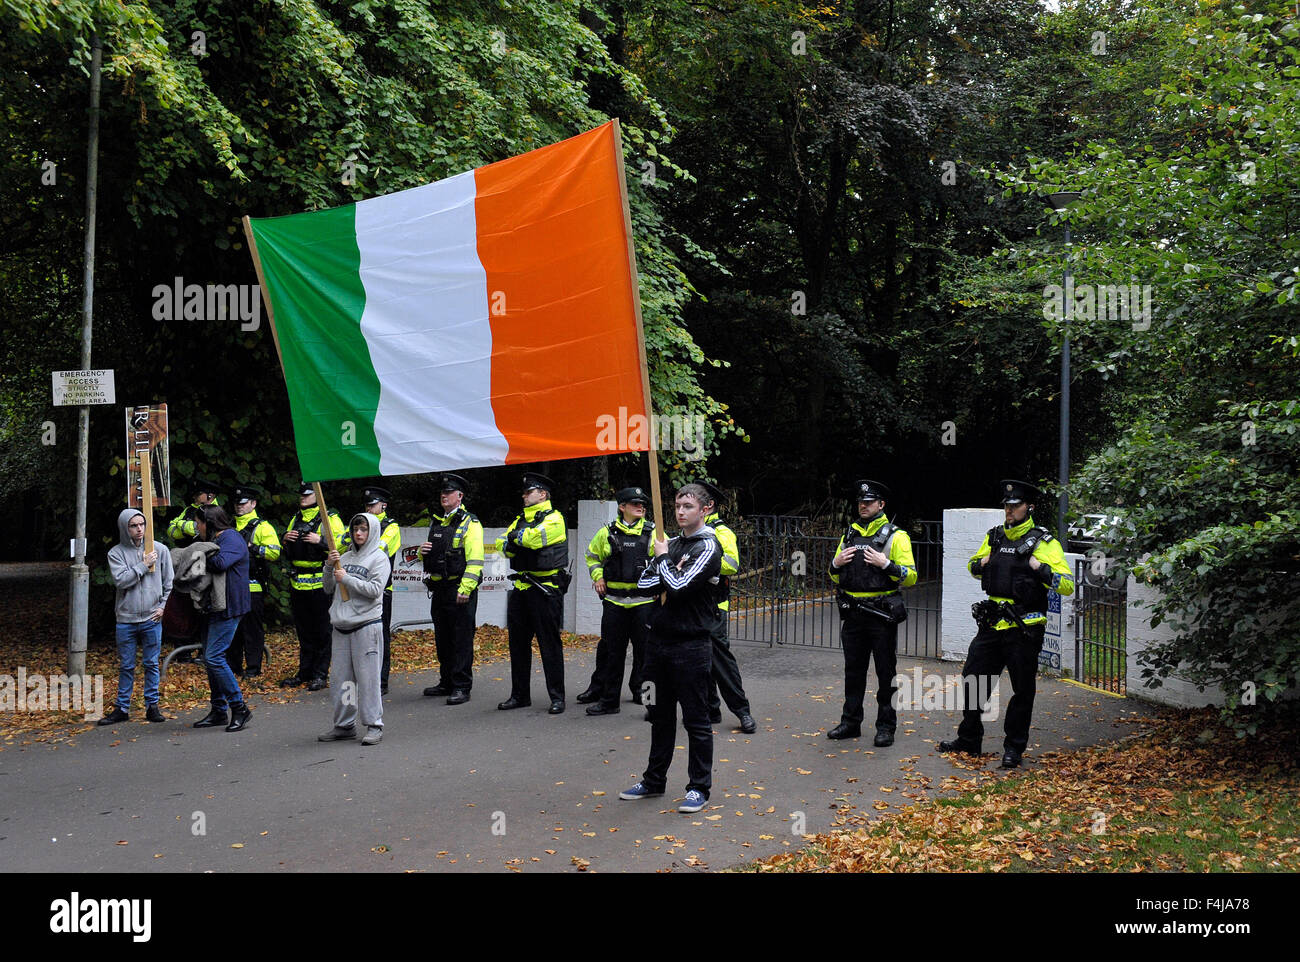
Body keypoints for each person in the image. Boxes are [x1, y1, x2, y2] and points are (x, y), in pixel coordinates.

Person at [938, 480, 1076, 769]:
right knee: (973, 680)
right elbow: (973, 567)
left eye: (1015, 506)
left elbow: (1066, 586)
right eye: (1006, 505)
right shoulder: (995, 537)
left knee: (1022, 690)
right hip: (992, 623)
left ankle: (1014, 748)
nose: (1009, 510)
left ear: (1029, 507)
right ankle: (969, 739)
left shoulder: (1045, 542)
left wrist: (1042, 568)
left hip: (1024, 628)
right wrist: (983, 562)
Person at [619, 483, 722, 814]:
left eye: (688, 506)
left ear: (705, 509)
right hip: (658, 643)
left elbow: (678, 587)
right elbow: (644, 583)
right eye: (677, 505)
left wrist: (664, 563)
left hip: (691, 646)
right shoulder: (673, 543)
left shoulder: (708, 547)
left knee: (696, 719)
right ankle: (653, 780)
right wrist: (668, 565)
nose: (680, 511)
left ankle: (698, 788)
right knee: (658, 715)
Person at [826, 480, 917, 746]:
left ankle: (886, 726)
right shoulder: (849, 535)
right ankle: (850, 722)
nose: (863, 506)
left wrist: (886, 564)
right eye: (860, 502)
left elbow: (911, 577)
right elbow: (834, 575)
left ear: (881, 505)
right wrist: (835, 563)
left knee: (886, 673)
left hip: (881, 614)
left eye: (869, 502)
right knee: (852, 671)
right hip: (853, 614)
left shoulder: (897, 536)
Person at [495, 472, 569, 714]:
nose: (524, 495)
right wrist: (515, 540)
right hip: (521, 589)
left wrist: (515, 540)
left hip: (545, 589)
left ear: (543, 494)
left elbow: (535, 539)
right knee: (517, 645)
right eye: (524, 492)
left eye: (529, 492)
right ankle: (519, 695)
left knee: (549, 645)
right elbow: (501, 545)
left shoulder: (555, 518)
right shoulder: (520, 519)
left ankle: (557, 697)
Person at [577, 486, 654, 716]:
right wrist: (598, 576)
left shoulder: (654, 533)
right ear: (622, 507)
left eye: (642, 504)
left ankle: (652, 704)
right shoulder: (606, 533)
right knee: (612, 655)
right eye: (634, 504)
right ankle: (610, 701)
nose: (640, 507)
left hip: (644, 604)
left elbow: (665, 561)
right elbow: (592, 556)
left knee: (649, 657)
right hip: (614, 604)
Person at [319, 513, 391, 746]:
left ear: (372, 532)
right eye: (355, 529)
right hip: (341, 627)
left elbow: (374, 590)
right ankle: (344, 725)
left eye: (364, 529)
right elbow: (328, 588)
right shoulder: (344, 557)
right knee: (343, 681)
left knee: (368, 680)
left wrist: (347, 578)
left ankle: (373, 724)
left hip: (366, 627)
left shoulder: (379, 558)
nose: (359, 533)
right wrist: (329, 567)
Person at [100, 509, 174, 725]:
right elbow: (122, 581)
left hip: (152, 618)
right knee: (126, 665)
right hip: (126, 618)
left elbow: (169, 583)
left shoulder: (159, 549)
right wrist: (143, 564)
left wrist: (162, 607)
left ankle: (152, 705)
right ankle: (122, 707)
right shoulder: (116, 553)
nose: (139, 529)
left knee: (151, 663)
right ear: (125, 528)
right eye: (133, 525)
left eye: (142, 524)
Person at [696, 480, 757, 734]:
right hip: (692, 607)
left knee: (721, 662)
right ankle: (710, 709)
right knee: (699, 660)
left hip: (713, 606)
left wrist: (701, 562)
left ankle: (742, 711)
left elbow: (731, 565)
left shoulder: (722, 533)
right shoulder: (689, 532)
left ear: (708, 506)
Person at [419, 473, 484, 705]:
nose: (444, 496)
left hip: (460, 588)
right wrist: (421, 552)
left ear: (460, 496)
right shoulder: (437, 521)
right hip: (440, 588)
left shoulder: (470, 523)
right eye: (442, 493)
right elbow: (432, 556)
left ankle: (461, 686)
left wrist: (465, 588)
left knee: (462, 639)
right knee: (443, 638)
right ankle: (446, 681)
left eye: (448, 493)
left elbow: (475, 559)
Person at [190, 505, 253, 732]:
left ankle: (240, 708)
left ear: (210, 523)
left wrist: (198, 551)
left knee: (214, 657)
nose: (197, 527)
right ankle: (218, 710)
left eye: (199, 523)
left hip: (230, 606)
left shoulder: (232, 539)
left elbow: (219, 563)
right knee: (211, 659)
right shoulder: (219, 539)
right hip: (214, 607)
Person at [279, 483, 344, 691]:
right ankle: (304, 672)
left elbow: (342, 544)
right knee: (304, 631)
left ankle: (320, 674)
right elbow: (289, 549)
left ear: (317, 496)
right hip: (298, 583)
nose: (302, 498)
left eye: (307, 495)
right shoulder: (296, 517)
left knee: (323, 631)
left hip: (320, 582)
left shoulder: (329, 518)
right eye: (301, 495)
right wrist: (285, 539)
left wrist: (321, 540)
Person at [162, 477, 219, 663]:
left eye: (198, 494)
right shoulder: (189, 510)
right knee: (181, 604)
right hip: (185, 562)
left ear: (210, 496)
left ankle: (205, 650)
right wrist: (183, 526)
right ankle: (183, 649)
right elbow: (172, 531)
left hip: (203, 562)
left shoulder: (215, 512)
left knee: (202, 602)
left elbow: (198, 531)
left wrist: (182, 526)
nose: (195, 497)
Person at [228, 483, 281, 680]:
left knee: (252, 630)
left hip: (253, 585)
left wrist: (254, 548)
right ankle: (233, 668)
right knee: (233, 630)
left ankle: (253, 669)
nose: (239, 507)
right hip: (231, 586)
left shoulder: (263, 527)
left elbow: (275, 552)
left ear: (253, 503)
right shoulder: (230, 526)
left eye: (243, 503)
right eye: (237, 504)